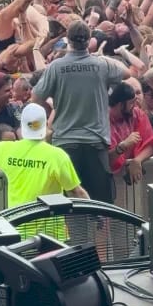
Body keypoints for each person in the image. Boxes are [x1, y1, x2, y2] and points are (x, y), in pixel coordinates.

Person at [32, 20, 126, 202]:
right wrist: (103, 62)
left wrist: (51, 110)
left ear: (68, 40)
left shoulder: (56, 67)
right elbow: (128, 74)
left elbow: (35, 99)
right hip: (95, 143)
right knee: (101, 207)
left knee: (69, 203)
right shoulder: (102, 65)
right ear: (89, 39)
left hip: (65, 144)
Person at [0, 102, 87, 232]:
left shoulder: (9, 150)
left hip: (19, 231)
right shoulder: (57, 156)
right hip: (52, 236)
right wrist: (96, 214)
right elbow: (76, 192)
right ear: (45, 125)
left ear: (22, 126)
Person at [108, 82, 153, 183]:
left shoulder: (137, 114)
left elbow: (151, 145)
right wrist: (122, 146)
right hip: (111, 181)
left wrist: (137, 160)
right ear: (120, 104)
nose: (134, 106)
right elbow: (105, 160)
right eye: (131, 103)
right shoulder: (104, 120)